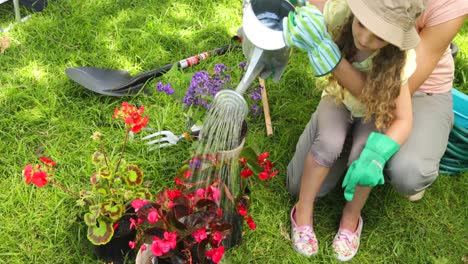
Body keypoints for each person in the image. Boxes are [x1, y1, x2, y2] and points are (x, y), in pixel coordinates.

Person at [285, 0, 468, 261]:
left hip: (378, 109)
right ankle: (303, 210)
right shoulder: (340, 14)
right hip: (341, 97)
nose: (364, 39)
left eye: (379, 37)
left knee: (364, 158)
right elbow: (304, 12)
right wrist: (288, 29)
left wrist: (378, 153)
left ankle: (351, 218)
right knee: (326, 145)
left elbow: (402, 117)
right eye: (361, 25)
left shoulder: (400, 60)